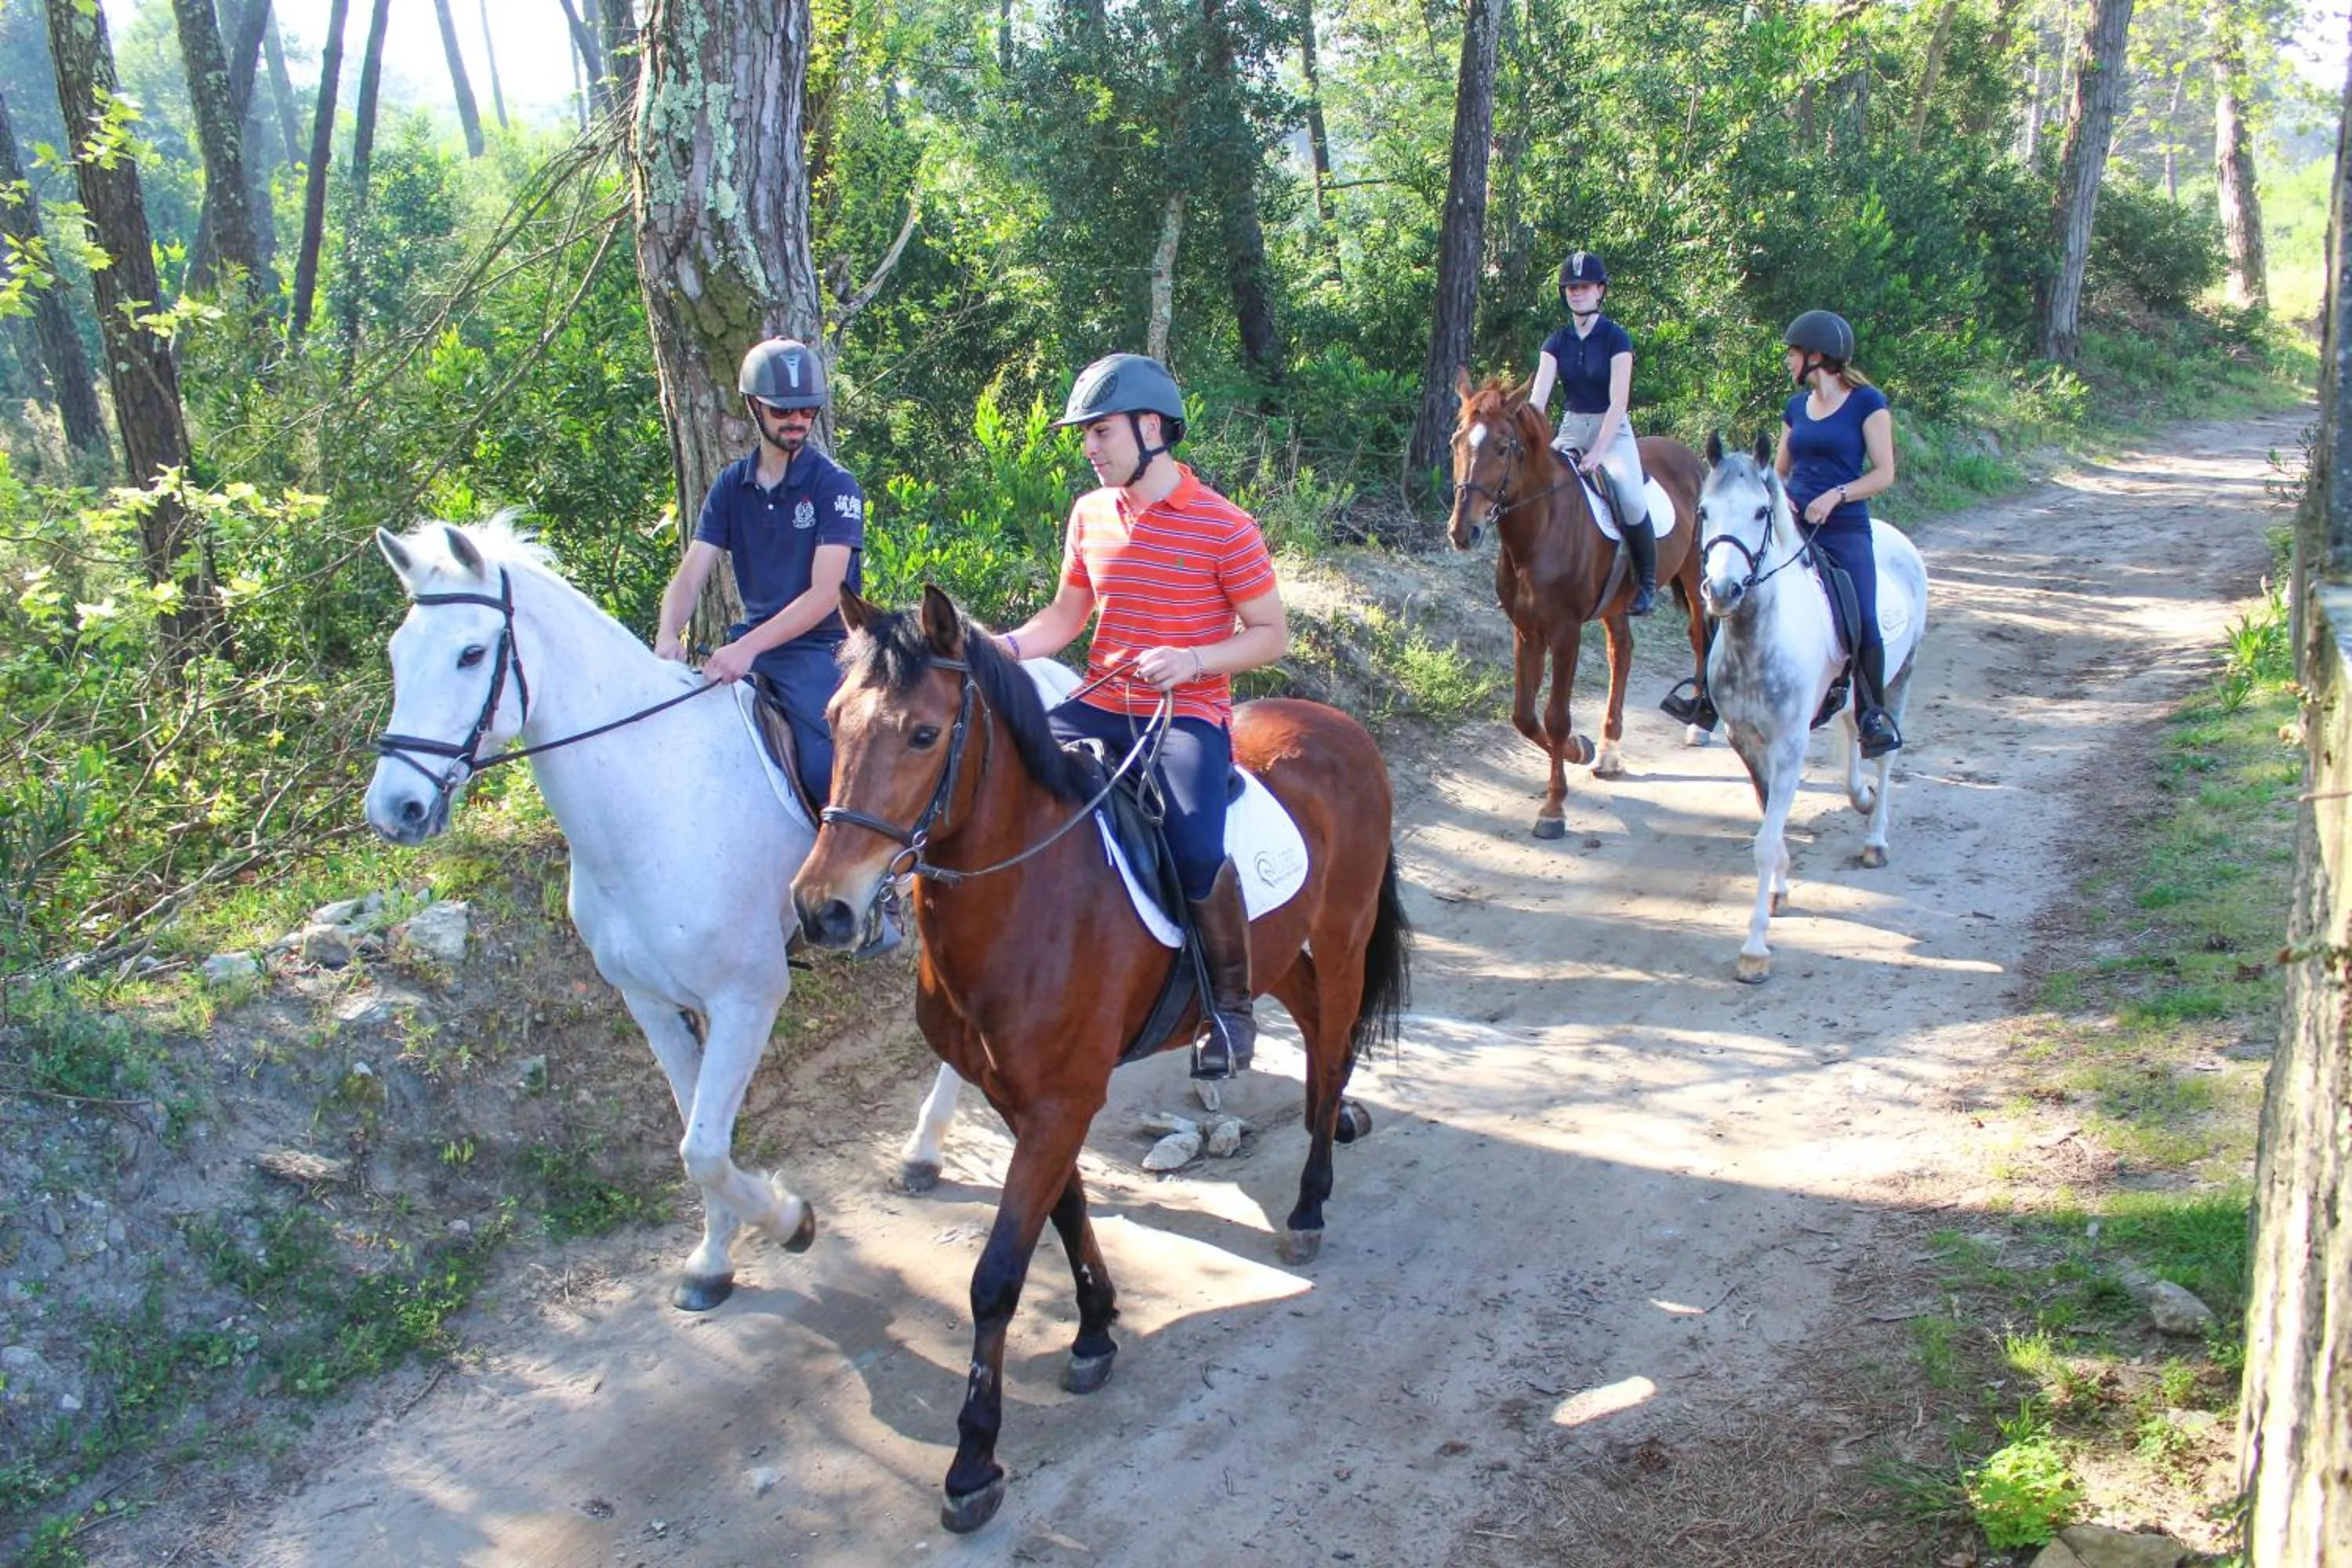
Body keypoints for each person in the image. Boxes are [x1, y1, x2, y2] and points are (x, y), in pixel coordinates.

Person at [994, 353, 1289, 1080]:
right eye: (1086, 435)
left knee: (1193, 843)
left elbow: (1271, 635)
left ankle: (1229, 1006)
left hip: (1184, 714)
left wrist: (1191, 661)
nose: (1088, 447)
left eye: (1101, 432)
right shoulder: (1090, 514)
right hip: (1097, 702)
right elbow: (1066, 617)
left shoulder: (1226, 527)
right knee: (1007, 784)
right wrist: (996, 647)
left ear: (1151, 427)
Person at [655, 336, 867, 809]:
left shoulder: (835, 485)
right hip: (755, 643)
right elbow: (691, 576)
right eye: (782, 411)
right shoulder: (732, 485)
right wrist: (668, 634)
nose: (797, 422)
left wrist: (746, 648)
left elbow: (824, 594)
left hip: (824, 649)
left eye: (807, 411)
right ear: (753, 406)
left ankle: (868, 878)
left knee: (824, 765)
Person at [1775, 309, 1902, 759]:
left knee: (1862, 617)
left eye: (1793, 354)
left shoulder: (1868, 403)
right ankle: (1711, 692)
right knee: (1738, 588)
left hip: (1844, 528)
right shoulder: (1795, 408)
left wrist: (1836, 496)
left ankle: (1872, 716)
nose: (1788, 362)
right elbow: (1780, 472)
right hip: (1794, 525)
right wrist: (1784, 499)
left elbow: (1884, 473)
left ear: (1816, 356)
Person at [1527, 249, 1657, 615]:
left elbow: (1619, 402)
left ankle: (1646, 584)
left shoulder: (1617, 339)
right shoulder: (1555, 343)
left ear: (1601, 290)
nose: (1577, 293)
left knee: (1630, 495)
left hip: (1611, 430)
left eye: (1584, 287)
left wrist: (1599, 453)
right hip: (1571, 426)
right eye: (1570, 288)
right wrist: (1528, 436)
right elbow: (1539, 399)